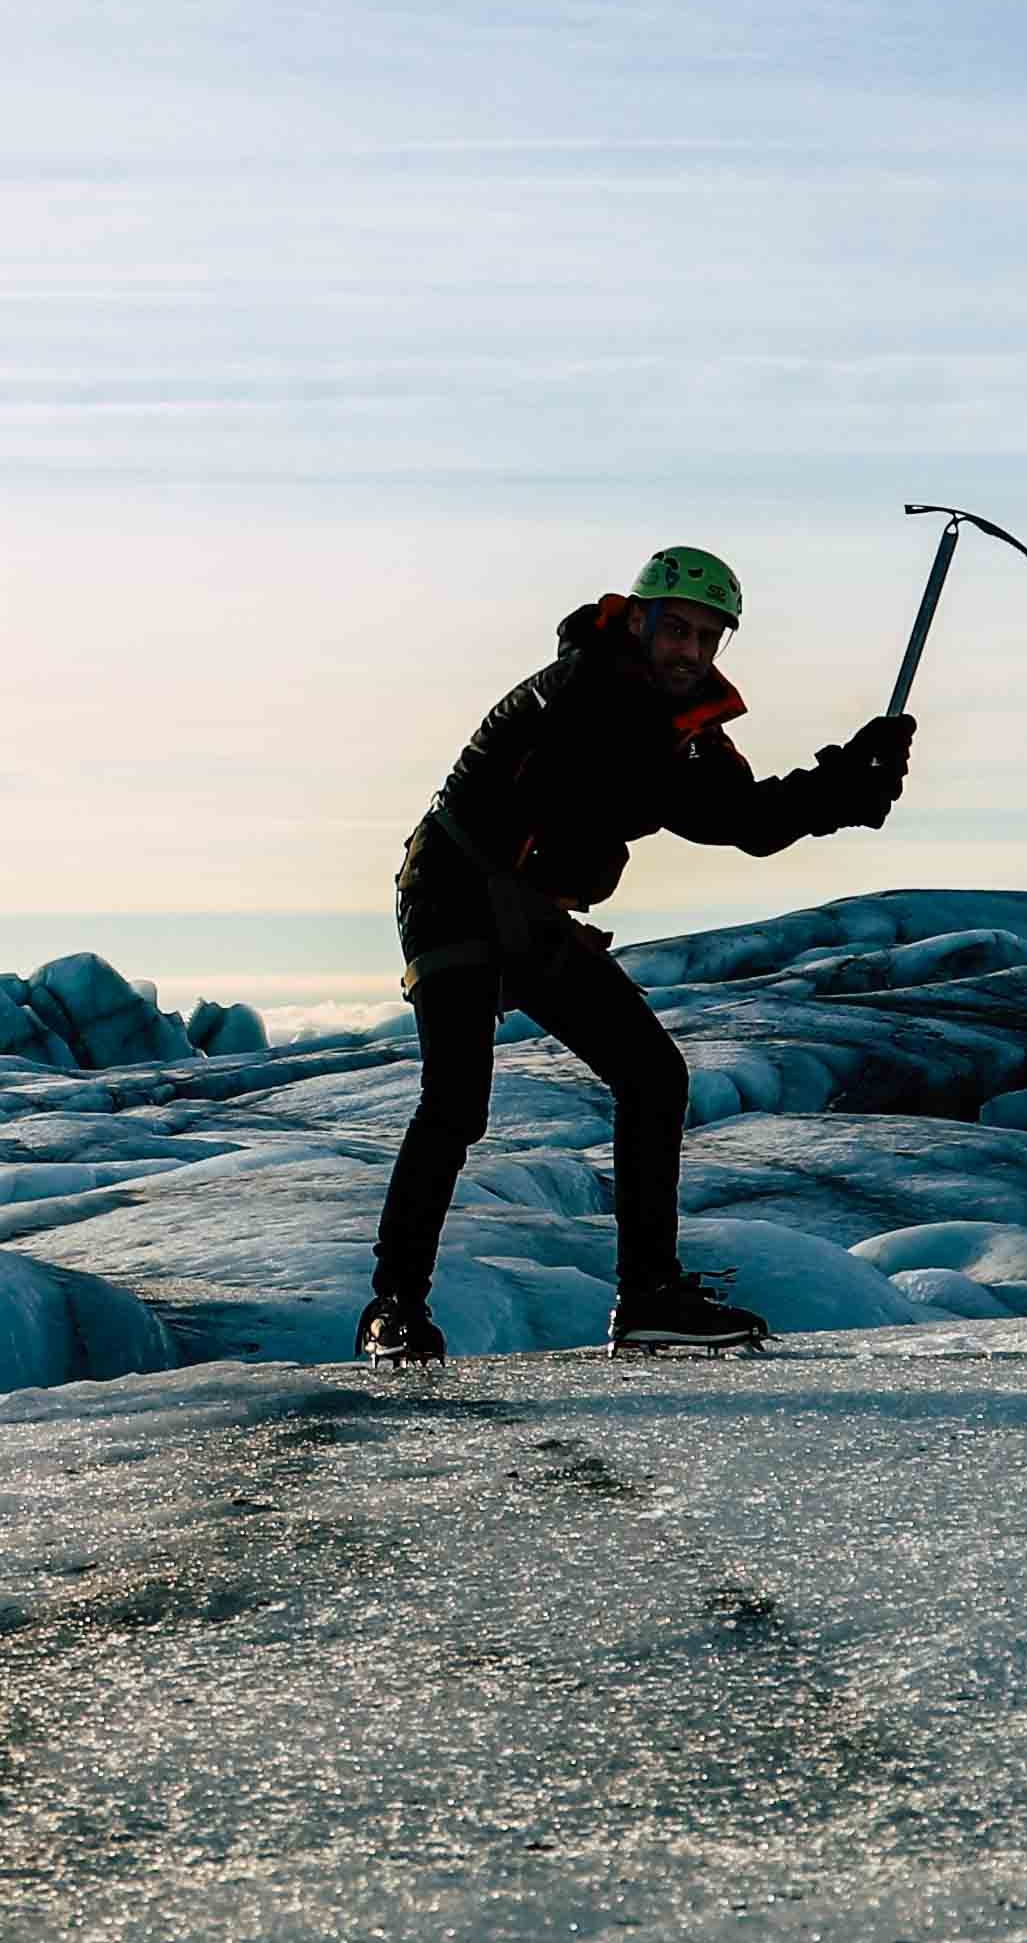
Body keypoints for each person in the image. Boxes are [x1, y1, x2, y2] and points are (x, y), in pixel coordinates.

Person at [364, 546, 911, 1363]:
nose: (690, 650)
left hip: (532, 909)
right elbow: (665, 788)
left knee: (654, 1076)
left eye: (707, 637)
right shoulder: (586, 688)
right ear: (639, 621)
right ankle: (394, 1309)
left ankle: (649, 1298)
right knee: (456, 1104)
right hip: (451, 889)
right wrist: (834, 785)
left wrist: (851, 783)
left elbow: (751, 821)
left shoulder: (674, 726)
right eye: (676, 629)